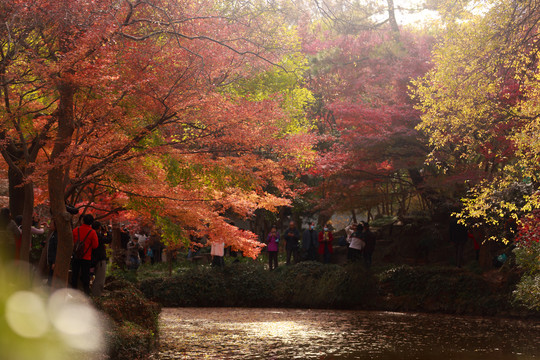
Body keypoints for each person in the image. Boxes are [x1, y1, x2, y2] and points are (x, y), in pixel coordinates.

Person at [71, 214, 99, 294]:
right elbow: (95, 246)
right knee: (86, 276)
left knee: (74, 274)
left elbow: (72, 242)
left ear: (83, 220)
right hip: (86, 257)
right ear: (91, 222)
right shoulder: (92, 232)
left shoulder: (76, 230)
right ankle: (86, 293)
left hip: (76, 256)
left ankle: (73, 291)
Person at [91, 221, 111, 297]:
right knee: (99, 280)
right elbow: (108, 240)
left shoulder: (92, 234)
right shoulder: (97, 235)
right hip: (99, 260)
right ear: (99, 227)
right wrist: (107, 232)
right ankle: (96, 298)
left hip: (90, 259)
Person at [46, 221, 58, 286]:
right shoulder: (53, 233)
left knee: (51, 274)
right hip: (51, 258)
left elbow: (56, 249)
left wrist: (54, 262)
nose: (50, 225)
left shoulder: (56, 235)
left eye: (52, 224)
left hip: (53, 259)